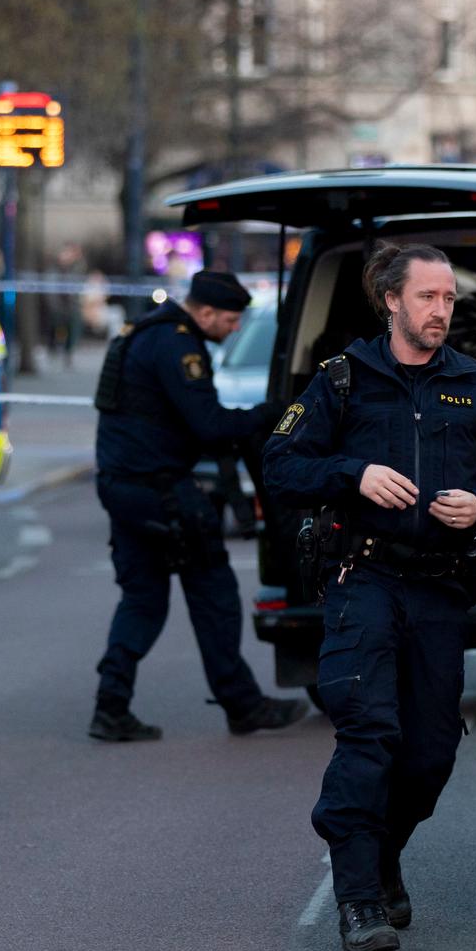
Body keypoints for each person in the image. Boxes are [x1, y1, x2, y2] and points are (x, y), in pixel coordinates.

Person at [262, 244, 476, 951]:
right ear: (391, 299)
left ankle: (381, 861)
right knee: (369, 736)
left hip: (440, 589)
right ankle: (357, 901)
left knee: (430, 755)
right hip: (365, 582)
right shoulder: (343, 381)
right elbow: (280, 464)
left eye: (448, 299)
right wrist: (353, 474)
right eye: (427, 297)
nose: (442, 310)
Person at [89, 270, 309, 743]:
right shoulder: (178, 345)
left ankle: (111, 705)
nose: (234, 329)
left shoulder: (142, 332)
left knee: (143, 599)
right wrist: (266, 416)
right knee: (215, 594)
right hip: (162, 491)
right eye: (230, 320)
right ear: (205, 312)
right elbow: (209, 425)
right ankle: (243, 704)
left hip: (125, 487)